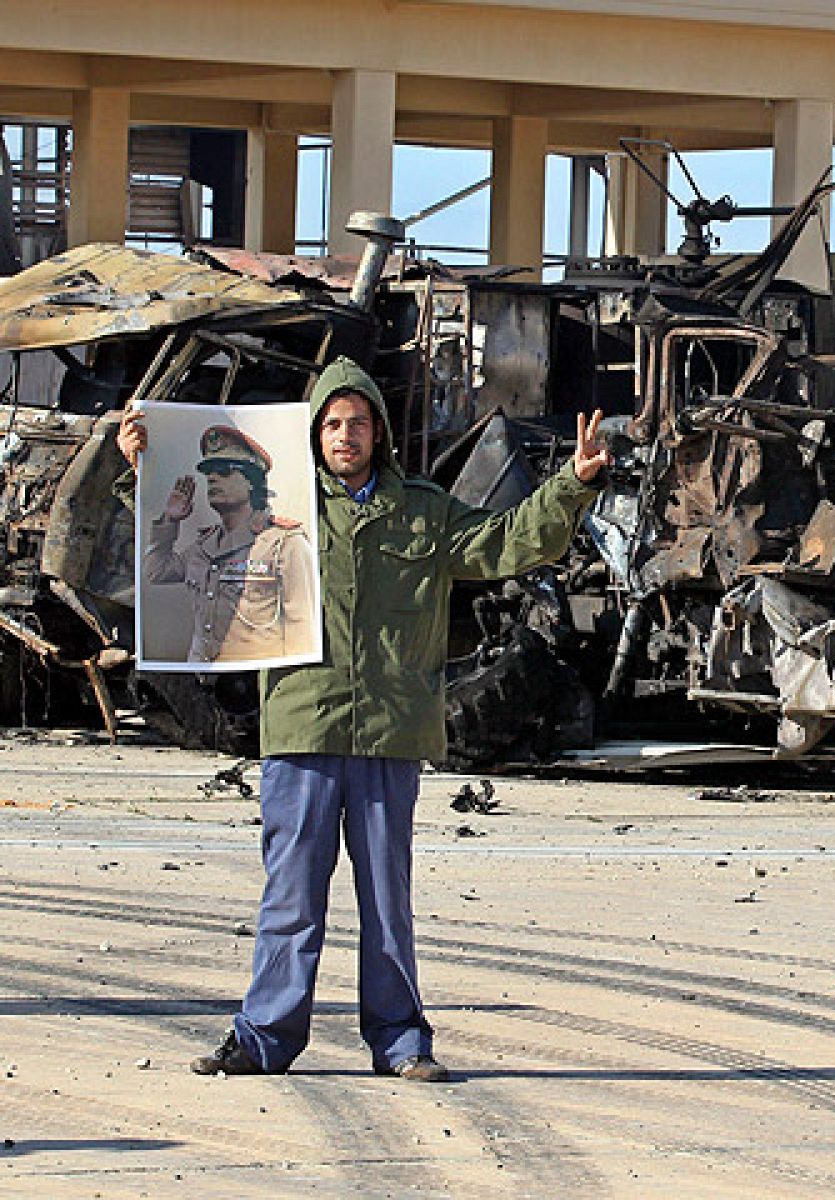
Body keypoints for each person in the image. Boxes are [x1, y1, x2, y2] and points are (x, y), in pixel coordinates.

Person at [117, 356, 609, 1082]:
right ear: (314, 435)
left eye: (358, 422)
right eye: (332, 423)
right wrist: (145, 464)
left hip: (389, 733)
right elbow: (188, 539)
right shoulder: (272, 508)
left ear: (378, 432)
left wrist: (575, 483)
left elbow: (509, 543)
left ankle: (402, 1040)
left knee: (388, 904)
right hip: (302, 729)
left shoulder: (423, 511)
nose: (345, 434)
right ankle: (262, 1038)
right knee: (290, 897)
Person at [142, 425, 316, 664]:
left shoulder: (285, 544)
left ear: (253, 482)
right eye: (210, 472)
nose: (212, 477)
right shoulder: (204, 546)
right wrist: (170, 520)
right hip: (199, 677)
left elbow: (304, 632)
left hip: (253, 686)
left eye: (224, 471)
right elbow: (155, 572)